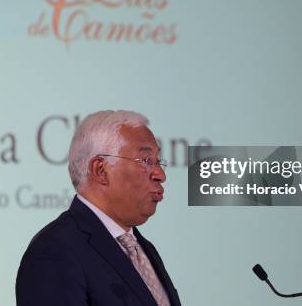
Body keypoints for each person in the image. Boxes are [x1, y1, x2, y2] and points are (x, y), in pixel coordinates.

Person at [16, 110, 181, 306]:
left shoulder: (144, 249)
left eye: (158, 161)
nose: (160, 174)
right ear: (101, 170)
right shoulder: (54, 252)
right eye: (146, 161)